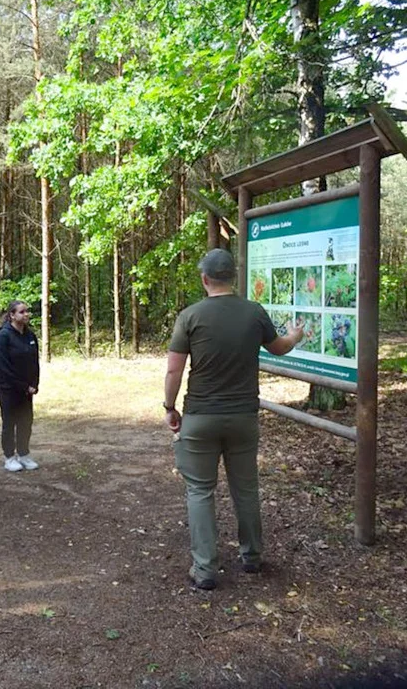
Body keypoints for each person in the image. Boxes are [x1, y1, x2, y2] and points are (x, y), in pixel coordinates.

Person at [163, 249, 304, 590]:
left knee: (199, 491)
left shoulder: (190, 316)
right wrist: (297, 335)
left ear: (205, 279)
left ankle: (205, 569)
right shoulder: (254, 313)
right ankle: (252, 558)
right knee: (246, 489)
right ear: (234, 278)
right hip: (243, 416)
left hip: (200, 417)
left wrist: (169, 407)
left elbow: (174, 369)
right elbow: (279, 347)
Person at [0, 300, 40, 473]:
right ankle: (9, 457)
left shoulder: (30, 335)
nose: (26, 314)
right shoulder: (3, 336)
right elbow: (3, 368)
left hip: (27, 389)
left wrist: (34, 384)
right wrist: (23, 386)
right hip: (8, 387)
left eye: (27, 311)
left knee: (26, 421)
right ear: (12, 315)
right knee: (10, 422)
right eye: (22, 312)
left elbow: (35, 362)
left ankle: (24, 454)